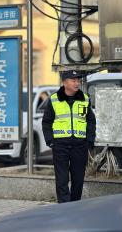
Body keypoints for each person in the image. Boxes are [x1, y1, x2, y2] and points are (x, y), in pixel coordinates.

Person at [42, 70, 96, 203]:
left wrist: (89, 141)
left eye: (78, 80)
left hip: (80, 145)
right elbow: (47, 122)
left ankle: (75, 205)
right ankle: (64, 207)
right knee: (62, 179)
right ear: (64, 82)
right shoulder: (54, 100)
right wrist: (51, 141)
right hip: (60, 145)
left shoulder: (84, 99)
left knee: (78, 179)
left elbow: (91, 121)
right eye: (73, 80)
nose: (77, 83)